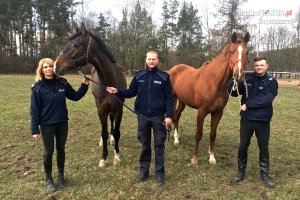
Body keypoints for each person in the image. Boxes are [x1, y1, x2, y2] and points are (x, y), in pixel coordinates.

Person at [106, 51, 173, 187]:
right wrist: (117, 91)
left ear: (158, 61)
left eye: (154, 59)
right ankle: (144, 171)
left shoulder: (164, 77)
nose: (151, 61)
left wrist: (170, 116)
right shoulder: (139, 76)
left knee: (159, 145)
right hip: (142, 115)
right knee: (145, 144)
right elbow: (131, 92)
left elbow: (169, 98)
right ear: (146, 60)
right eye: (149, 59)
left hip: (158, 117)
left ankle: (159, 174)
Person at [30, 58, 89, 192]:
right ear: (41, 70)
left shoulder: (62, 83)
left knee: (61, 150)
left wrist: (84, 85)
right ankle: (48, 178)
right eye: (45, 67)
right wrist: (35, 129)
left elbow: (75, 96)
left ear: (54, 68)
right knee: (48, 152)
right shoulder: (37, 88)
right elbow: (34, 110)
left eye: (50, 66)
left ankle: (61, 176)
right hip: (46, 125)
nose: (48, 69)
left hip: (62, 123)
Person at [228, 57, 278, 188]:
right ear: (254, 66)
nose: (259, 67)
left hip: (263, 120)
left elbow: (266, 99)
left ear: (266, 66)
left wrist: (247, 105)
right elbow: (234, 93)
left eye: (261, 65)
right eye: (256, 65)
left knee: (263, 147)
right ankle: (240, 172)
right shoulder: (246, 78)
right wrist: (232, 82)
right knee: (243, 145)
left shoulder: (271, 81)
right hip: (247, 119)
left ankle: (264, 174)